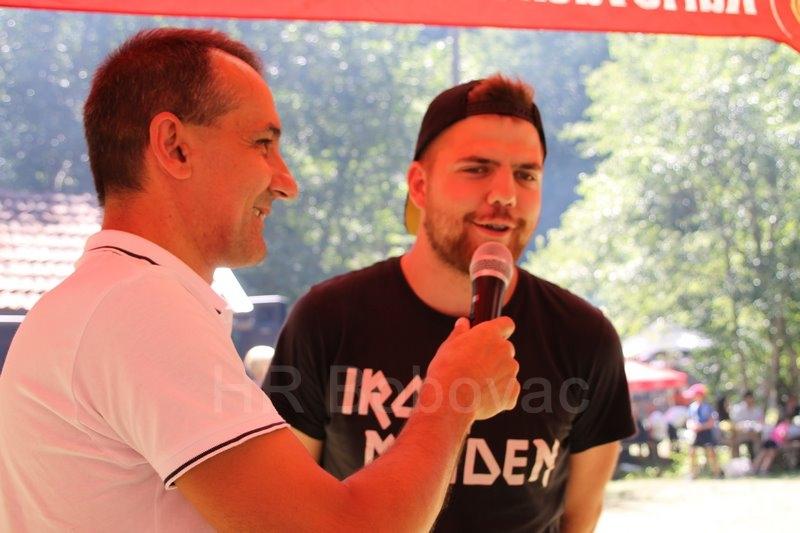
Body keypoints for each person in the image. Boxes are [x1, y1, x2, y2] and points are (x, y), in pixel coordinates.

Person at [0, 29, 521, 531]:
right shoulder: (139, 308)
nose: (287, 182)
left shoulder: (99, 299)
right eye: (262, 143)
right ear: (174, 147)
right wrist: (451, 396)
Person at [265, 75, 635, 532]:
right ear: (419, 186)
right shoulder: (327, 319)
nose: (505, 194)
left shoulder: (584, 336)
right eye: (477, 169)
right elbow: (290, 511)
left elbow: (581, 515)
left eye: (526, 175)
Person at [685, 383, 722, 478]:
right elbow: (689, 420)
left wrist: (701, 426)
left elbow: (711, 422)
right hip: (696, 433)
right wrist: (693, 426)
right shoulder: (692, 407)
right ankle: (693, 473)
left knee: (711, 452)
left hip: (706, 432)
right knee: (692, 452)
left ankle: (716, 473)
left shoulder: (708, 407)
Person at [730, 390, 764, 459]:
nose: (749, 400)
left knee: (758, 438)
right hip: (740, 434)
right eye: (748, 398)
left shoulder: (757, 410)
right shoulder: (738, 409)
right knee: (733, 439)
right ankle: (735, 460)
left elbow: (761, 423)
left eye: (751, 398)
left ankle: (756, 461)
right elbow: (734, 424)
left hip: (754, 434)